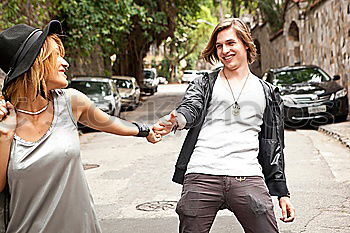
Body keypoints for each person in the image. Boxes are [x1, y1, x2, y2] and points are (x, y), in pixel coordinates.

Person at [0, 20, 161, 232]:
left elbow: (110, 123)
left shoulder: (71, 102)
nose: (65, 63)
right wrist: (5, 135)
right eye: (56, 55)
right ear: (35, 64)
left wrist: (145, 130)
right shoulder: (4, 120)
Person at [154, 18, 295, 233]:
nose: (224, 50)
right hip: (202, 173)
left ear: (246, 45)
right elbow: (191, 106)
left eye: (230, 43)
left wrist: (282, 192)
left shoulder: (267, 92)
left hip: (247, 175)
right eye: (219, 46)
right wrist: (178, 119)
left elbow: (273, 146)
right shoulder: (205, 82)